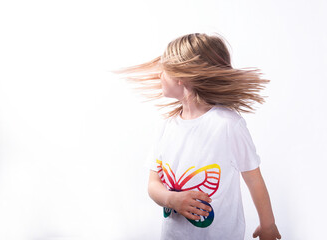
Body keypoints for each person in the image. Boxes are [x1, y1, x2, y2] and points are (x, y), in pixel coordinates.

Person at [114, 33, 281, 240]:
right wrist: (172, 200)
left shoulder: (227, 125)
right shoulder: (167, 127)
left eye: (164, 70)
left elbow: (254, 179)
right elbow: (153, 184)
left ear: (182, 76)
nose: (159, 76)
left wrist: (268, 225)